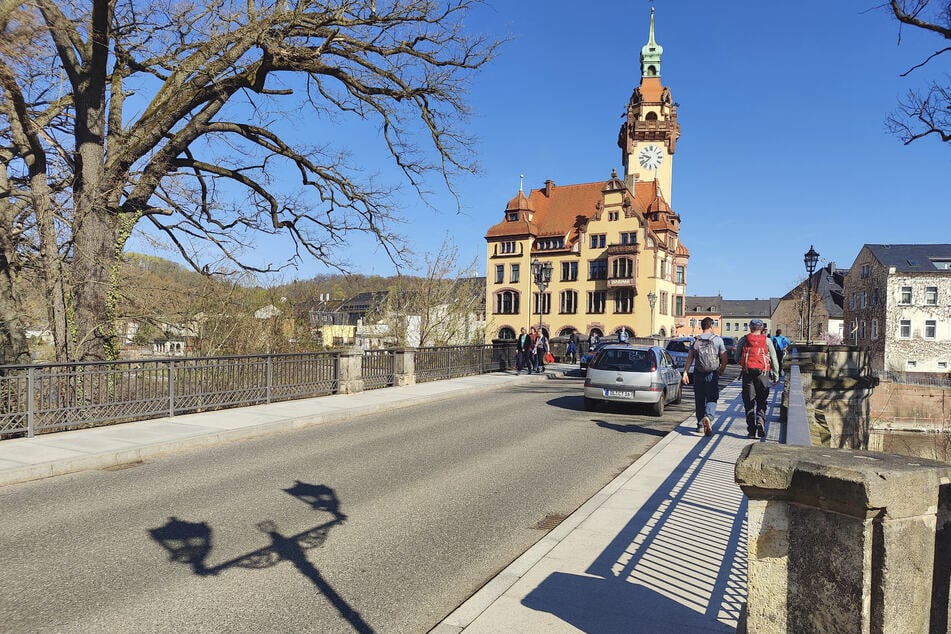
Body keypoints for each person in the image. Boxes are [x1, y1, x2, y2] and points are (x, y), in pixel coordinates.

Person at [681, 317, 727, 436]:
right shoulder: (717, 340)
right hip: (712, 373)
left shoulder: (696, 340)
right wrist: (721, 369)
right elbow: (724, 356)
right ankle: (708, 416)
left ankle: (700, 425)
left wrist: (685, 372)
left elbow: (690, 357)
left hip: (698, 373)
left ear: (701, 327)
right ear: (711, 326)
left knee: (699, 399)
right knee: (712, 397)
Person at [735, 318, 780, 439]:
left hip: (748, 373)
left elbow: (736, 357)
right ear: (762, 329)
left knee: (748, 402)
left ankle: (751, 430)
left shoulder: (744, 339)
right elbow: (774, 359)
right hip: (763, 373)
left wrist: (744, 364)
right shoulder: (767, 340)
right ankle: (760, 420)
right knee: (762, 400)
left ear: (750, 327)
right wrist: (776, 375)